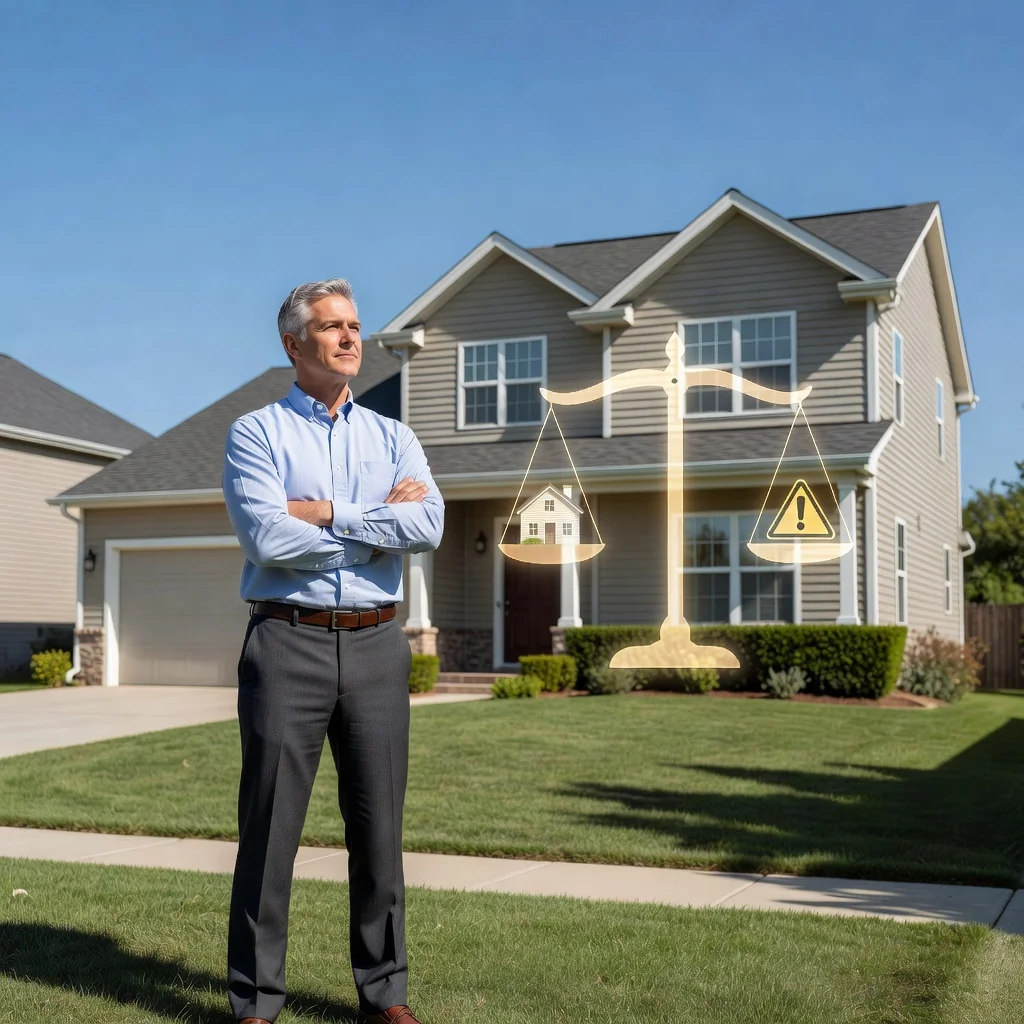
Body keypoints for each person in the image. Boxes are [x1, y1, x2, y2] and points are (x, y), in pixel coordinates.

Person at [221, 278, 444, 1024]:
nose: (352, 337)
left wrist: (324, 512)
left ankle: (385, 996)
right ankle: (257, 1003)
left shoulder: (393, 436)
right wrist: (378, 519)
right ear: (294, 344)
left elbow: (430, 526)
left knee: (380, 830)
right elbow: (267, 539)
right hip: (287, 643)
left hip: (379, 645)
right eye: (333, 327)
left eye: (355, 325)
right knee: (271, 829)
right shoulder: (257, 433)